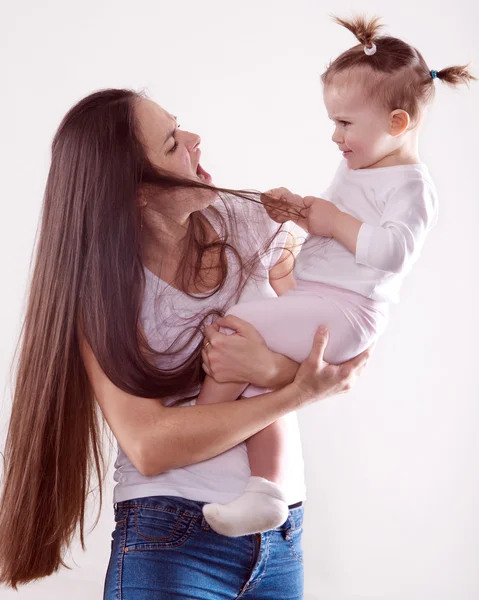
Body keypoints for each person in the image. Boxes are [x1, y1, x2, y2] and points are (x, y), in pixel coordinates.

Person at [0, 88, 371, 599]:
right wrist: (292, 394)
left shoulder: (257, 225)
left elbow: (347, 350)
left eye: (180, 127)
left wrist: (268, 370)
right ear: (135, 190)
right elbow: (151, 446)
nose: (196, 141)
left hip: (282, 540)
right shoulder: (102, 294)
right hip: (171, 540)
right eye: (172, 142)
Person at [197, 14, 476, 538]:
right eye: (334, 121)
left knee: (237, 324)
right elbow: (336, 232)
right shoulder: (361, 165)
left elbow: (392, 250)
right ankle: (265, 490)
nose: (334, 136)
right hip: (321, 293)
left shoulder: (414, 186)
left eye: (345, 124)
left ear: (397, 124)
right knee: (258, 380)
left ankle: (196, 438)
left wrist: (330, 220)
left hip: (348, 310)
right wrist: (301, 212)